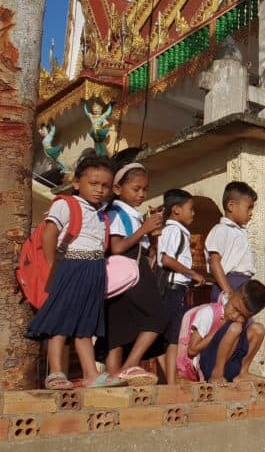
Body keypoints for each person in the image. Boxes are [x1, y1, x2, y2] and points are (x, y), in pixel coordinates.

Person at [26, 155, 125, 388]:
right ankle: (56, 373)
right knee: (60, 323)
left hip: (94, 271)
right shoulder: (65, 204)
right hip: (70, 267)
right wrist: (54, 268)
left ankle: (91, 374)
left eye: (105, 186)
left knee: (85, 326)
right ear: (77, 182)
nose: (100, 190)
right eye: (93, 183)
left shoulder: (101, 213)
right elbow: (48, 235)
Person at [100, 162, 172, 385]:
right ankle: (129, 366)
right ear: (118, 189)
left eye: (145, 189)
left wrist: (152, 236)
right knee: (159, 316)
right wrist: (144, 229)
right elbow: (118, 247)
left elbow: (145, 250)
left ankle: (114, 381)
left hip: (129, 272)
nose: (141, 194)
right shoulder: (116, 213)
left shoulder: (133, 215)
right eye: (136, 188)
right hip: (128, 271)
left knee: (118, 329)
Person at [157, 189, 206, 384]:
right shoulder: (174, 230)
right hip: (171, 289)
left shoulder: (176, 231)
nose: (193, 213)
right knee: (169, 338)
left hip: (176, 288)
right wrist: (192, 273)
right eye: (190, 209)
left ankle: (168, 380)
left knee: (169, 338)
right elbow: (167, 259)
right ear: (176, 210)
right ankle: (169, 381)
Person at [188, 280, 265, 384]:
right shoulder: (209, 313)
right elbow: (192, 350)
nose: (235, 316)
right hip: (209, 366)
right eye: (235, 309)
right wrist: (219, 329)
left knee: (259, 329)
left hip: (231, 367)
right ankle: (217, 374)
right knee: (235, 327)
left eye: (243, 316)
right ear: (232, 294)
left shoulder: (244, 322)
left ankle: (242, 373)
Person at [206, 181, 257, 302]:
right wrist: (228, 292)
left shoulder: (240, 232)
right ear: (231, 206)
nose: (251, 213)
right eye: (248, 207)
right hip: (228, 284)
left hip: (243, 285)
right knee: (230, 319)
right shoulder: (221, 230)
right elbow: (215, 263)